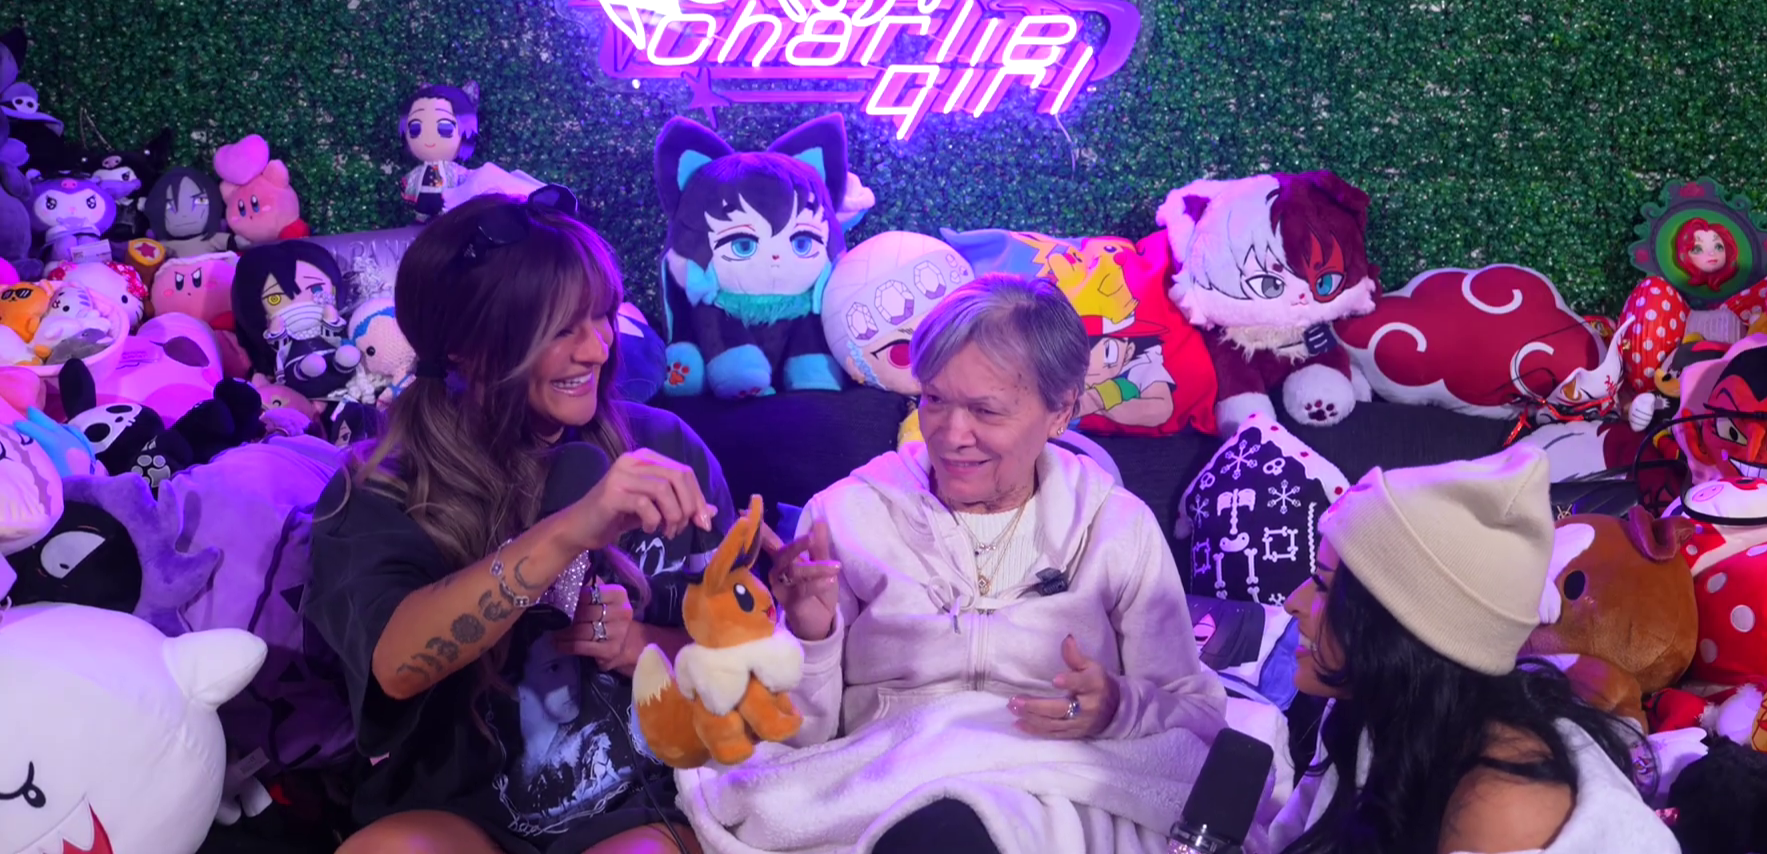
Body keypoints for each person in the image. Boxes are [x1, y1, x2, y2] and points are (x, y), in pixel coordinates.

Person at [672, 273, 1229, 854]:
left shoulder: (1118, 528)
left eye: (986, 411)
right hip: (886, 791)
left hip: (1058, 790)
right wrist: (811, 640)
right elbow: (800, 741)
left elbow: (1195, 717)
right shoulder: (845, 516)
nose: (950, 435)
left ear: (1060, 410)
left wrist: (1117, 708)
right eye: (935, 400)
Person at [307, 190, 735, 854]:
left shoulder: (666, 449)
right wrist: (568, 531)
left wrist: (640, 642)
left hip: (640, 804)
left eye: (602, 315)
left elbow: (745, 656)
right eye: (560, 330)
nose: (597, 349)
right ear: (465, 348)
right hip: (462, 813)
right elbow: (396, 666)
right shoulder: (383, 488)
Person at [1271, 445, 1678, 854]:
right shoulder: (1375, 715)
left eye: (1322, 585)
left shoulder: (1502, 809)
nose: (1292, 602)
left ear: (1401, 630)